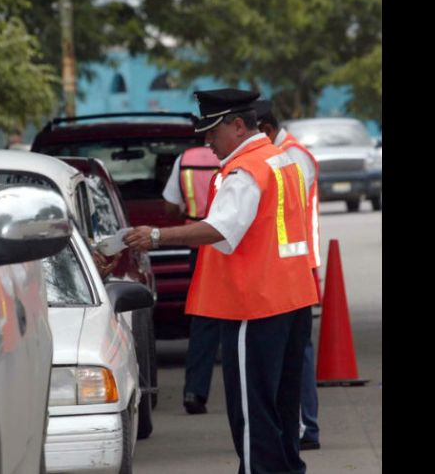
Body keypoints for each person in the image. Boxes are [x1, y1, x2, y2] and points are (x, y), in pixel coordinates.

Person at [124, 88, 318, 474]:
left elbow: (219, 228)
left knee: (252, 408)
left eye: (212, 131)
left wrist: (158, 236)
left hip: (255, 303)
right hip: (291, 297)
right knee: (282, 402)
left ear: (239, 125)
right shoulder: (281, 161)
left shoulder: (246, 171)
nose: (207, 142)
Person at [255, 99, 322, 451]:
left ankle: (304, 426)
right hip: (292, 264)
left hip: (297, 265)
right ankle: (301, 425)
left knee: (297, 351)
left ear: (265, 129)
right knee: (296, 349)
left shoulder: (291, 156)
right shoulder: (286, 154)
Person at [161, 145, 221, 414]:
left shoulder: (185, 159)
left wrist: (189, 212)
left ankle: (195, 392)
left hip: (200, 248)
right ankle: (246, 389)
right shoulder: (239, 157)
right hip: (236, 244)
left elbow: (170, 206)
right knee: (244, 320)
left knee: (204, 320)